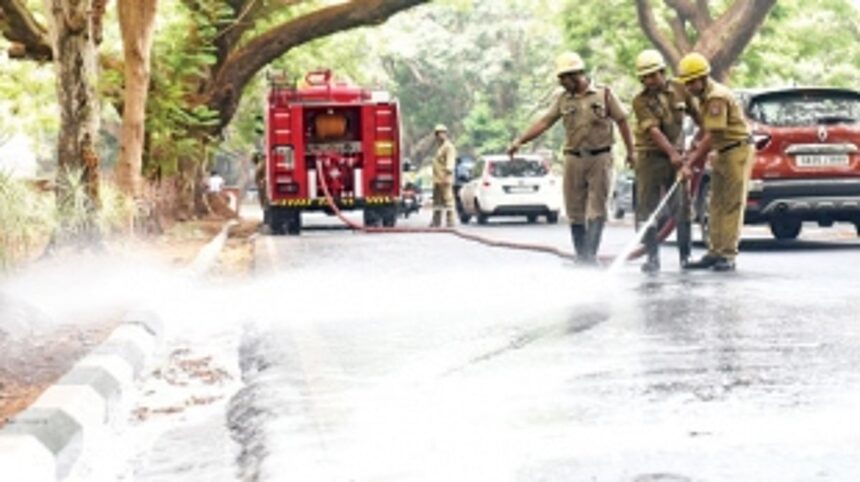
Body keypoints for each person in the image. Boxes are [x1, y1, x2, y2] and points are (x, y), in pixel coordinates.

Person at [507, 52, 635, 263]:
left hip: (600, 158)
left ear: (576, 75)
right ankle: (581, 256)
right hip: (573, 158)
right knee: (574, 209)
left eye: (564, 78)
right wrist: (520, 140)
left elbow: (622, 121)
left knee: (597, 208)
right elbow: (545, 122)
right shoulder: (563, 99)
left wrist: (631, 152)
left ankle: (590, 256)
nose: (561, 83)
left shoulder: (604, 94)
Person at [677, 52, 753, 272]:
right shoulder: (704, 97)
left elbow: (713, 134)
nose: (689, 87)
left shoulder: (716, 97)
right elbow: (706, 128)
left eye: (692, 82)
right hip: (722, 152)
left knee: (731, 203)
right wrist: (695, 143)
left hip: (736, 150)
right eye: (687, 83)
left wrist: (689, 163)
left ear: (703, 77)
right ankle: (715, 251)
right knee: (715, 204)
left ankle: (727, 255)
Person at [631, 49, 701, 273]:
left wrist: (697, 145)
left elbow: (699, 117)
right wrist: (673, 155)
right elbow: (653, 132)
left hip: (678, 156)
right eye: (644, 77)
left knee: (682, 207)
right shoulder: (640, 101)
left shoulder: (681, 89)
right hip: (650, 157)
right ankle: (652, 257)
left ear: (663, 71)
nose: (649, 81)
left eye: (653, 75)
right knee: (647, 207)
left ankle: (685, 256)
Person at [430, 124, 457, 228]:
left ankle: (450, 222)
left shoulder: (448, 147)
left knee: (448, 201)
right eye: (438, 133)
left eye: (442, 133)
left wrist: (447, 176)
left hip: (445, 179)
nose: (439, 135)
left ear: (446, 134)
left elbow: (450, 163)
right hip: (437, 179)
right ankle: (436, 221)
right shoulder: (440, 148)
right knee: (437, 202)